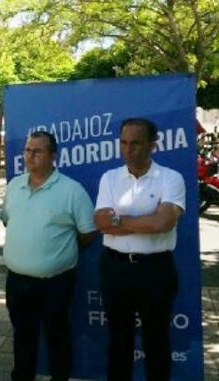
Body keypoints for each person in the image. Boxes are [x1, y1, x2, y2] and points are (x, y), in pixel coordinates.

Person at [94, 118, 185, 381]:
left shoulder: (170, 178)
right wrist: (146, 221)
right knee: (118, 341)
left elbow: (164, 222)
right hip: (115, 267)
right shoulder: (110, 178)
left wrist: (119, 221)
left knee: (156, 341)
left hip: (155, 269)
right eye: (123, 142)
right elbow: (101, 222)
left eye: (135, 143)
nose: (128, 149)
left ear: (152, 145)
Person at [1, 131, 96, 381]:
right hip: (17, 280)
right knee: (22, 336)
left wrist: (61, 252)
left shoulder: (71, 190)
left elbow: (88, 232)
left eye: (37, 151)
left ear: (53, 156)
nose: (30, 156)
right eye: (27, 150)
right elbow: (8, 221)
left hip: (56, 282)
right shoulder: (14, 186)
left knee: (57, 337)